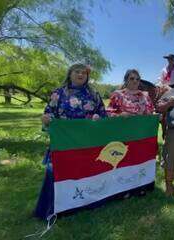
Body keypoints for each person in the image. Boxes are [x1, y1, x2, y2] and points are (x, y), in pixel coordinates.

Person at [34, 63, 106, 220]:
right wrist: (46, 119)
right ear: (70, 74)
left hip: (87, 142)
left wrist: (98, 118)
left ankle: (84, 204)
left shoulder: (93, 94)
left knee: (85, 173)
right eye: (77, 71)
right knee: (57, 173)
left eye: (84, 73)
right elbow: (49, 114)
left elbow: (102, 114)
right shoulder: (58, 93)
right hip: (64, 142)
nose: (81, 75)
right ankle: (53, 208)